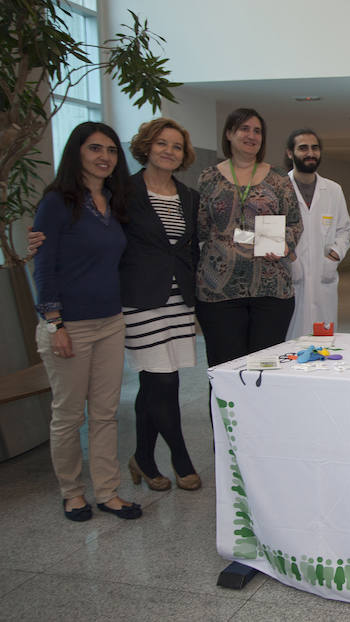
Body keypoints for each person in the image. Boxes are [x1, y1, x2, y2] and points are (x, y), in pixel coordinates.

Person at [31, 122, 142, 521]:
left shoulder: (115, 200)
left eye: (111, 150)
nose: (104, 157)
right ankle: (72, 492)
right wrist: (54, 323)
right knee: (68, 414)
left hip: (111, 321)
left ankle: (108, 492)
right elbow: (43, 266)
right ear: (77, 152)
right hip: (70, 326)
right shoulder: (57, 202)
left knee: (105, 413)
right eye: (95, 148)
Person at [121, 118, 202, 491]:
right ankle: (181, 458)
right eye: (162, 144)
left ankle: (143, 457)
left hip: (178, 302)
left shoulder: (188, 196)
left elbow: (190, 248)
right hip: (141, 300)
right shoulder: (124, 191)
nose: (169, 151)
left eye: (177, 146)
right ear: (146, 146)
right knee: (163, 380)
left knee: (153, 384)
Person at [196, 108, 302, 370]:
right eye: (244, 129)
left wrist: (285, 244)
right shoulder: (209, 178)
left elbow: (294, 222)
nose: (251, 135)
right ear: (229, 134)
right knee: (225, 369)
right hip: (220, 293)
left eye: (257, 131)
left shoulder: (279, 179)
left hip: (271, 290)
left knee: (263, 370)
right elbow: (200, 227)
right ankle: (226, 413)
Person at [283, 128, 350, 339]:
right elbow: (274, 231)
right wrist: (292, 260)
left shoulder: (333, 190)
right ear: (289, 153)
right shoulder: (279, 188)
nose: (310, 153)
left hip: (324, 277)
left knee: (324, 341)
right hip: (290, 275)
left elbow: (344, 229)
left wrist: (332, 257)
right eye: (303, 148)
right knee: (290, 340)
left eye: (315, 148)